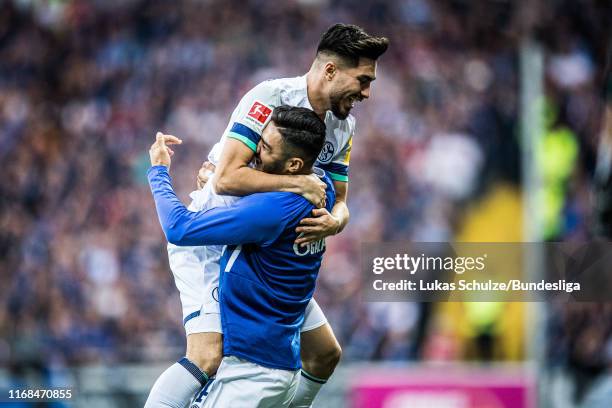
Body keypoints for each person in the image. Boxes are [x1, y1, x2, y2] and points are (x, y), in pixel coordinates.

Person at [146, 23, 389, 408]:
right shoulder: (271, 96)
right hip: (212, 239)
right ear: (330, 70)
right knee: (208, 354)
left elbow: (340, 198)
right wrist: (295, 183)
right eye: (362, 80)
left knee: (325, 353)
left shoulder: (343, 125)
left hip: (263, 248)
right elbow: (226, 179)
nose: (366, 92)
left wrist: (337, 220)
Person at [147, 106, 335, 407]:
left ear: (294, 164)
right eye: (259, 141)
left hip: (251, 370)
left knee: (207, 354)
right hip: (211, 254)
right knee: (324, 352)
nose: (255, 153)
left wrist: (158, 171)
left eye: (266, 148)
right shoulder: (320, 185)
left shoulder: (273, 210)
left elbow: (178, 227)